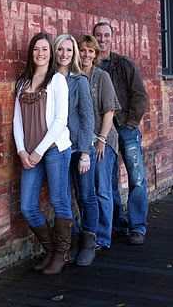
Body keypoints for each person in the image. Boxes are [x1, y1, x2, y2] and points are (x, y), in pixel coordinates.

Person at [13, 32, 73, 275]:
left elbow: (61, 120)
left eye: (45, 49)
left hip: (54, 149)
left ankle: (62, 254)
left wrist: (38, 151)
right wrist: (21, 150)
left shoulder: (57, 80)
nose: (40, 53)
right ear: (31, 52)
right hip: (29, 153)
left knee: (60, 202)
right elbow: (17, 120)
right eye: (37, 49)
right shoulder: (22, 82)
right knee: (27, 206)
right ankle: (49, 249)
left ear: (51, 54)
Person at [93, 22, 148, 245]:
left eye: (106, 35)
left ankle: (137, 227)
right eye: (98, 35)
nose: (102, 39)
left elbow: (140, 96)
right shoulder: (90, 66)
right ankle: (118, 223)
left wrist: (132, 123)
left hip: (125, 128)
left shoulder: (123, 65)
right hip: (105, 133)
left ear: (112, 38)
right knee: (108, 180)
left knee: (137, 178)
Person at [54, 34, 98, 266]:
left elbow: (87, 117)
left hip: (79, 149)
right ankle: (72, 240)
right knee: (64, 198)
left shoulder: (79, 80)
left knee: (86, 196)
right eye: (60, 49)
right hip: (58, 149)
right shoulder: (50, 79)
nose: (64, 54)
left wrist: (85, 153)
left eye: (69, 50)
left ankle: (89, 243)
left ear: (74, 55)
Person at [77, 35, 121, 250]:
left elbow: (109, 110)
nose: (86, 55)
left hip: (103, 139)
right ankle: (89, 234)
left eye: (91, 51)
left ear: (96, 55)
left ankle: (103, 237)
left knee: (102, 189)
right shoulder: (73, 76)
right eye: (83, 50)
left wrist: (101, 140)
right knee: (86, 191)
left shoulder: (101, 76)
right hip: (82, 142)